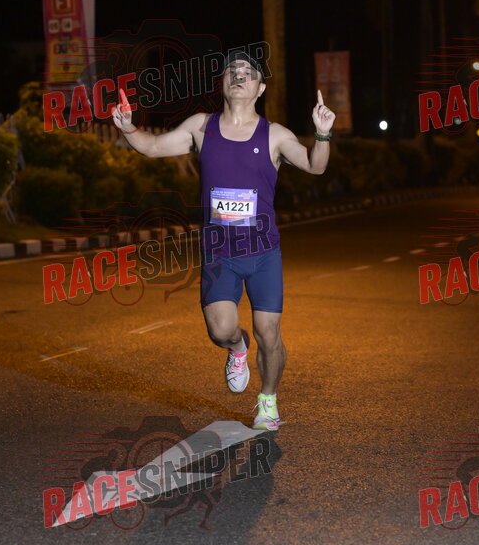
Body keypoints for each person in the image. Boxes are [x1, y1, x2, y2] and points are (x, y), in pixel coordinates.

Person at [112, 50, 335, 430]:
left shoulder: (275, 134)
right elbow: (152, 147)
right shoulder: (202, 127)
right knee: (220, 330)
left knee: (270, 333)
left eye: (248, 72)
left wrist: (323, 133)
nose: (239, 76)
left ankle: (268, 400)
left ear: (260, 88)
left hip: (263, 252)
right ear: (222, 84)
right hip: (219, 253)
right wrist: (128, 127)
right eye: (232, 71)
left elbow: (316, 166)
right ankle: (236, 348)